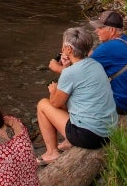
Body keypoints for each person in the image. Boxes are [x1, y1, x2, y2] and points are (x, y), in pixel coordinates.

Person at [36, 27, 118, 165]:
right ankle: (68, 142)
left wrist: (53, 90)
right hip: (109, 130)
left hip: (91, 136)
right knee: (73, 100)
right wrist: (66, 67)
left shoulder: (70, 73)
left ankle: (52, 153)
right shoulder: (95, 64)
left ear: (68, 49)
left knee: (43, 104)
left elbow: (55, 103)